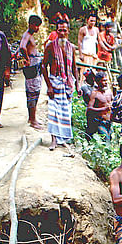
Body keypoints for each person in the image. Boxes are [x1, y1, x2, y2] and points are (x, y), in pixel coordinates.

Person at [43, 18, 79, 150]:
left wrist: (78, 85)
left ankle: (62, 139)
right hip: (55, 82)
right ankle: (53, 140)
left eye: (64, 30)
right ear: (56, 31)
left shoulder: (71, 47)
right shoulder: (50, 46)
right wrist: (49, 86)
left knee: (66, 112)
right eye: (60, 30)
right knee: (54, 112)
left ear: (68, 31)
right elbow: (43, 67)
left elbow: (74, 67)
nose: (62, 33)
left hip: (68, 85)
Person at [20, 14, 44, 130]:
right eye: (36, 26)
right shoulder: (27, 35)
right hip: (31, 67)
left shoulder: (29, 35)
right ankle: (33, 120)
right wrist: (27, 59)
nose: (37, 28)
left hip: (34, 66)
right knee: (33, 93)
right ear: (31, 24)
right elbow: (22, 47)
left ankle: (31, 118)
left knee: (34, 92)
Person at [86, 70, 112, 142]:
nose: (106, 83)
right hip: (100, 122)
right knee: (106, 141)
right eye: (103, 81)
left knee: (110, 141)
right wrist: (104, 109)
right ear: (98, 82)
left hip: (109, 122)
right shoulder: (94, 94)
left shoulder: (109, 92)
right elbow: (89, 109)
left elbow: (113, 104)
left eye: (106, 80)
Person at [77, 14, 99, 79]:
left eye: (94, 21)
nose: (92, 23)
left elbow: (99, 42)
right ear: (87, 20)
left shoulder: (96, 30)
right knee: (84, 73)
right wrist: (80, 54)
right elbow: (79, 42)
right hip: (85, 55)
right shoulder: (83, 29)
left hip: (93, 55)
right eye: (91, 21)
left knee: (93, 73)